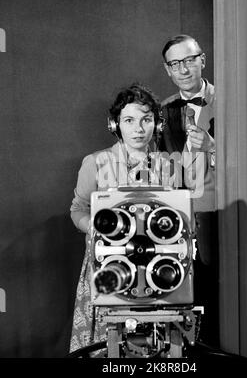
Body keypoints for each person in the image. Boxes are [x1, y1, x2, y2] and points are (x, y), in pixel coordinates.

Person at [68, 83, 202, 354]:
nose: (138, 128)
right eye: (129, 120)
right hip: (109, 265)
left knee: (161, 346)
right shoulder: (95, 162)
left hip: (159, 268)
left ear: (157, 123)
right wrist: (94, 229)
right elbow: (78, 209)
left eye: (146, 119)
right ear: (115, 124)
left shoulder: (171, 166)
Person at [160, 34, 218, 346]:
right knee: (179, 291)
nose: (183, 69)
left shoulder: (229, 103)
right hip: (179, 216)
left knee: (215, 290)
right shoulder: (162, 111)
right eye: (175, 63)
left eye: (189, 60)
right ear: (167, 70)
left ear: (202, 60)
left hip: (218, 213)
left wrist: (213, 147)